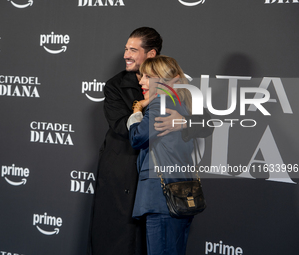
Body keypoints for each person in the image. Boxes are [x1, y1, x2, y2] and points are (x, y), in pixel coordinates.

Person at [90, 27, 212, 255]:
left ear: (151, 54)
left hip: (159, 183)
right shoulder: (116, 86)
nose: (126, 54)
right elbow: (122, 128)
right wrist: (143, 110)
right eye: (126, 48)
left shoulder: (171, 92)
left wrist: (183, 121)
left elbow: (207, 123)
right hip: (125, 176)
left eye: (133, 50)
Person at [127, 55, 195, 255]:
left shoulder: (160, 102)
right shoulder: (182, 101)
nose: (140, 81)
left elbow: (137, 138)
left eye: (147, 77)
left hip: (161, 198)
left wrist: (136, 112)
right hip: (181, 194)